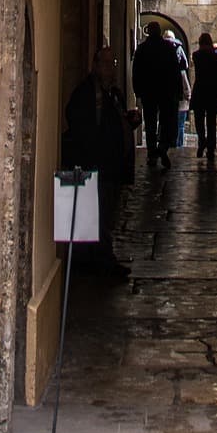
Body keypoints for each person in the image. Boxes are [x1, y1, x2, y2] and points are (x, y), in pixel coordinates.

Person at [62, 45, 137, 276]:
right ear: (95, 66)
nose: (111, 69)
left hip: (109, 166)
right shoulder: (87, 94)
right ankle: (98, 262)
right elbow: (79, 123)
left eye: (112, 64)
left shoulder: (112, 93)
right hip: (95, 165)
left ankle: (98, 259)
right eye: (105, 64)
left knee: (104, 213)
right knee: (96, 214)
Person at [131, 21, 182, 169]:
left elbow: (136, 71)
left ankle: (152, 152)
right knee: (165, 122)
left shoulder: (142, 49)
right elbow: (175, 71)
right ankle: (163, 147)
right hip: (166, 92)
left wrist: (137, 91)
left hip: (149, 92)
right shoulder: (168, 48)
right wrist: (177, 92)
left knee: (151, 123)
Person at [189, 31, 217, 163]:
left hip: (199, 91)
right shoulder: (216, 57)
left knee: (199, 120)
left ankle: (202, 142)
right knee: (211, 122)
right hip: (212, 91)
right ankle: (211, 149)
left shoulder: (196, 56)